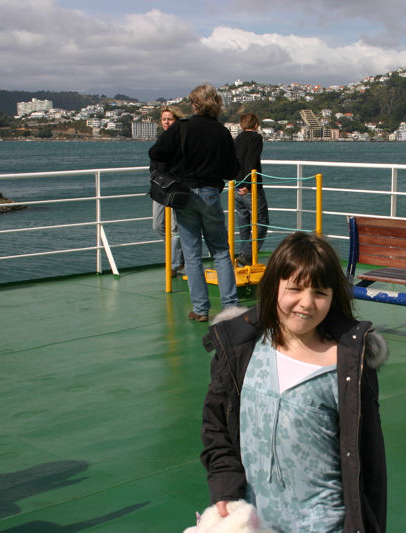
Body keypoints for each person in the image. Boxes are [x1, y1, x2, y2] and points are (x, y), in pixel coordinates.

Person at [200, 231, 388, 533]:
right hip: (254, 523)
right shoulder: (241, 351)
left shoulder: (349, 365)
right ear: (273, 286)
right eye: (295, 289)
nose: (306, 303)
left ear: (334, 297)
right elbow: (217, 427)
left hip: (324, 524)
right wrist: (225, 487)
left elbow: (369, 464)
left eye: (320, 293)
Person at [149, 84, 240, 322]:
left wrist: (174, 168)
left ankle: (200, 309)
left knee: (191, 254)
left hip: (184, 194)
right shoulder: (221, 132)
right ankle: (230, 307)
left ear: (195, 104)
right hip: (210, 193)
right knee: (220, 251)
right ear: (215, 104)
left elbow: (156, 153)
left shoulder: (181, 127)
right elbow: (232, 171)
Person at [150, 107, 185, 277]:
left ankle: (174, 264)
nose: (166, 122)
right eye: (164, 119)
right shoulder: (161, 139)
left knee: (175, 228)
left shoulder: (181, 139)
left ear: (176, 120)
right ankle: (178, 255)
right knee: (158, 226)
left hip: (175, 188)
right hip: (159, 188)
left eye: (169, 119)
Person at [233, 113, 269, 267]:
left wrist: (238, 183)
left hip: (236, 187)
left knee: (244, 223)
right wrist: (249, 185)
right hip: (250, 188)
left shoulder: (237, 139)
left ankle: (245, 255)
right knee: (262, 221)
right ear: (256, 125)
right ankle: (247, 254)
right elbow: (252, 161)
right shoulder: (255, 138)